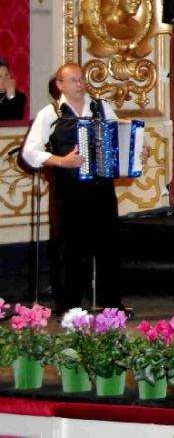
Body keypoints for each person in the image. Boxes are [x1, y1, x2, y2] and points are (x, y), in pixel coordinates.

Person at [21, 63, 124, 313]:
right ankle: (70, 306)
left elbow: (119, 136)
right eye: (74, 80)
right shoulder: (51, 113)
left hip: (101, 189)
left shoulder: (101, 107)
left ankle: (111, 304)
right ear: (60, 85)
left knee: (107, 246)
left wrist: (133, 149)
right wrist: (61, 161)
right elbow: (30, 152)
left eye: (81, 79)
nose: (80, 84)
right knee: (70, 248)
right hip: (68, 191)